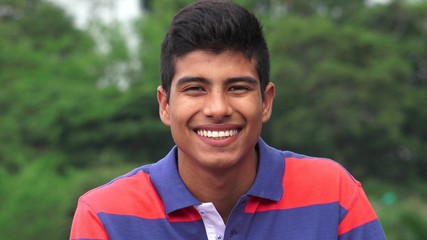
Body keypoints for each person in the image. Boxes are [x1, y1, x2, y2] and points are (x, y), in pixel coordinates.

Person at [70, 0, 386, 239]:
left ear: (266, 101)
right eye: (195, 89)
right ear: (165, 105)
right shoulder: (105, 215)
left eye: (237, 88)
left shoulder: (333, 194)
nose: (218, 108)